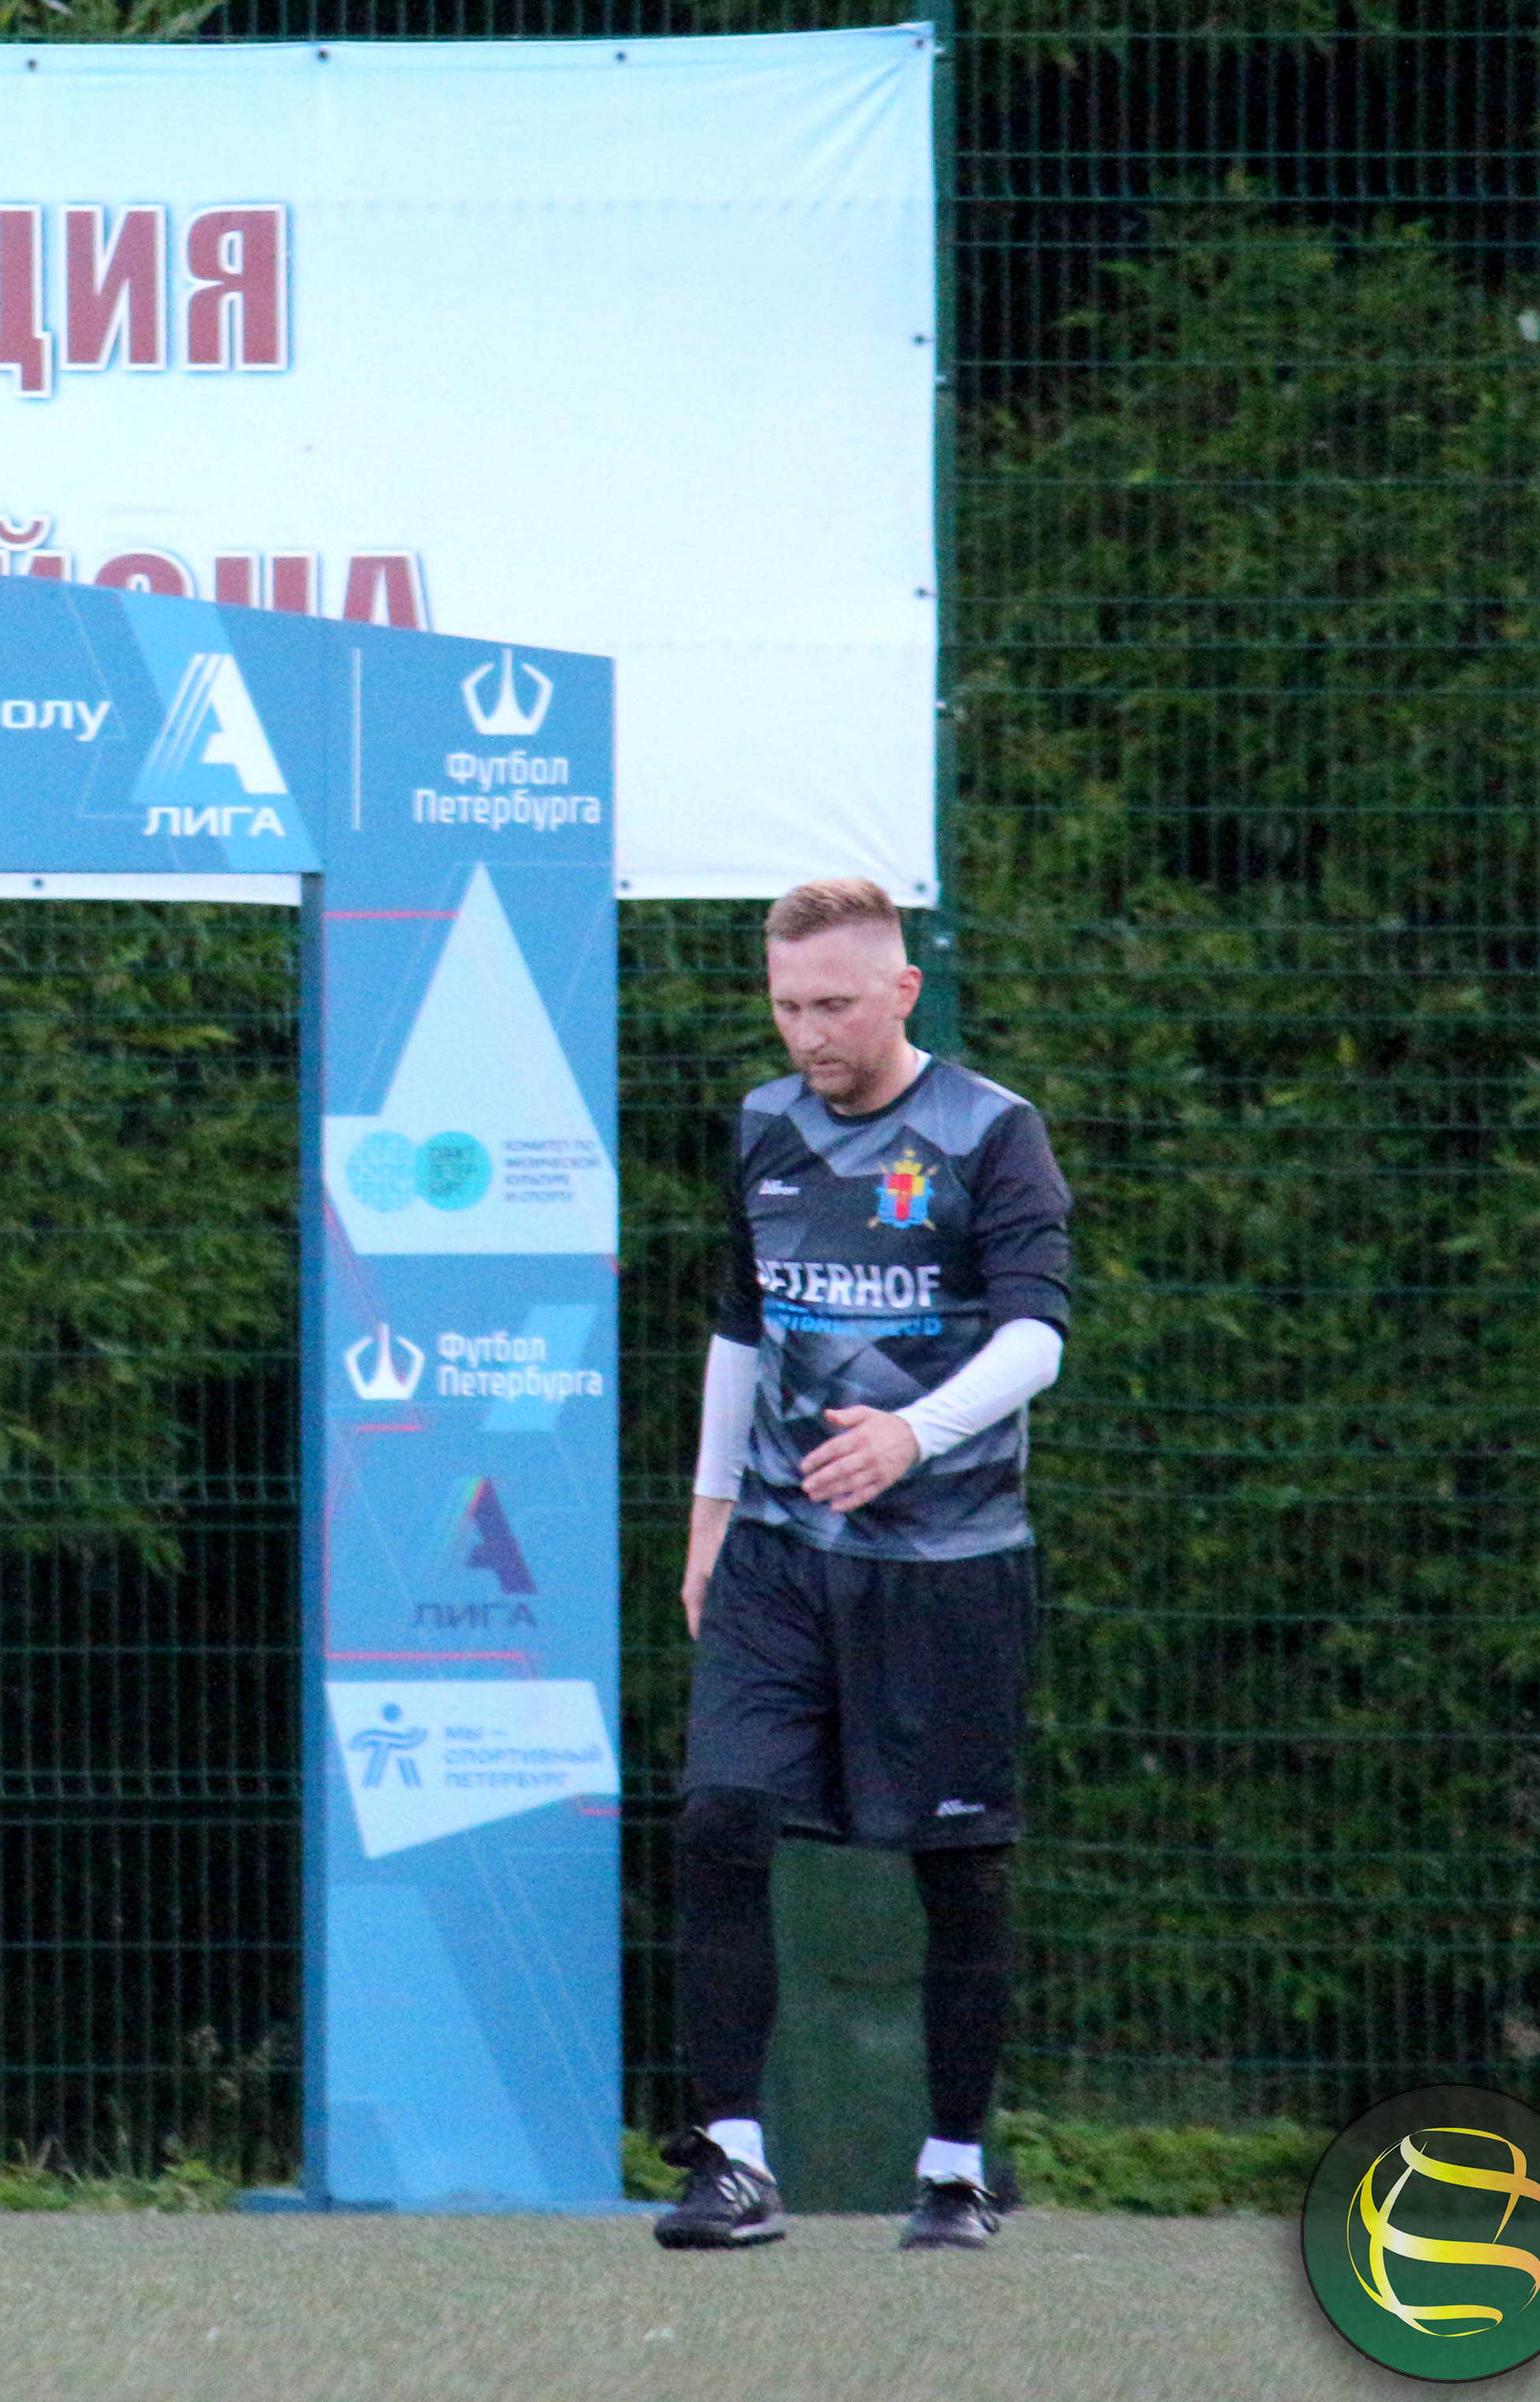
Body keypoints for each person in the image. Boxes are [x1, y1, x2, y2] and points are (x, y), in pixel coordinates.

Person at [658, 878, 1073, 2255]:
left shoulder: (992, 1133)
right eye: (787, 1006)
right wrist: (712, 1512)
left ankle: (953, 2168)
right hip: (780, 1555)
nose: (807, 1034)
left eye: (833, 1004)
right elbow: (742, 1323)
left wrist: (911, 1433)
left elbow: (1036, 1337)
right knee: (721, 1820)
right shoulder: (764, 1126)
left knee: (958, 1872)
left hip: (948, 1567)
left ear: (903, 991)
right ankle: (732, 2161)